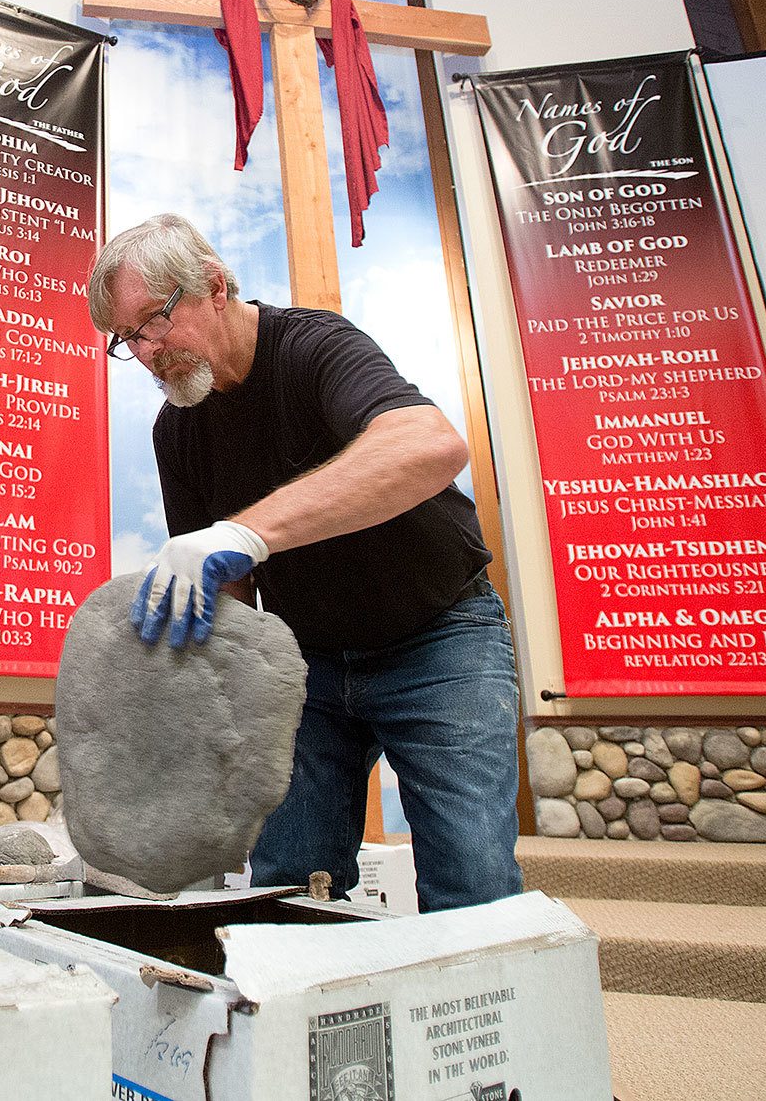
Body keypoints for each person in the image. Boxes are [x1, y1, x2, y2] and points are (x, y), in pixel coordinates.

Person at [89, 214, 522, 911]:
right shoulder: (179, 429)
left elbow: (429, 444)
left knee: (471, 880)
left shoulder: (315, 347)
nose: (147, 350)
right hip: (309, 665)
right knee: (288, 886)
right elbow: (227, 589)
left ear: (215, 285)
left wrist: (246, 529)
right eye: (127, 337)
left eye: (154, 320)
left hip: (440, 638)